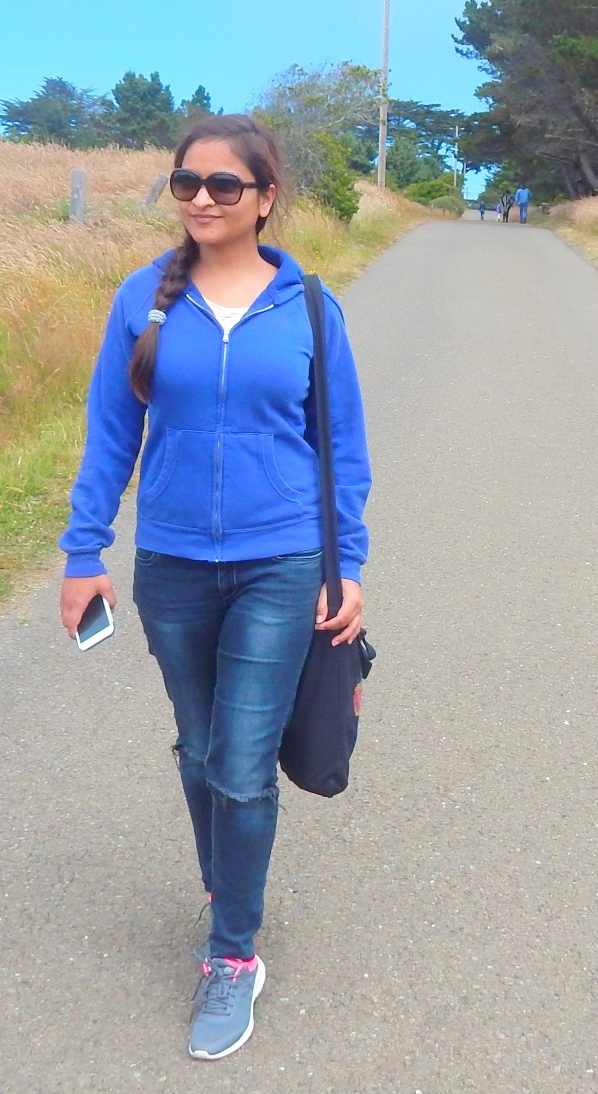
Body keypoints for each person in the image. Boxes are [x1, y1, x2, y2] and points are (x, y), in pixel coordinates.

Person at [57, 113, 372, 1062]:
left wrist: (346, 561)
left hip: (281, 561)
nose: (201, 198)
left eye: (224, 186)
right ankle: (226, 880)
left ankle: (233, 952)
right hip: (176, 566)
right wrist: (82, 554)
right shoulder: (139, 301)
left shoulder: (311, 307)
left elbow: (341, 447)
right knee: (198, 750)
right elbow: (112, 434)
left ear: (266, 198)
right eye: (186, 182)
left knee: (239, 762)